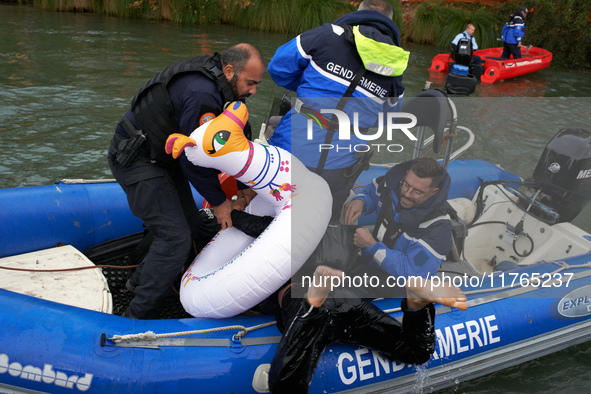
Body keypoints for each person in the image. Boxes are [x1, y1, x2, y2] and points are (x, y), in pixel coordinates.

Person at [108, 43, 265, 319]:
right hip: (140, 159)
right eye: (250, 83)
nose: (253, 90)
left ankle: (137, 283)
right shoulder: (202, 95)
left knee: (192, 225)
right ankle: (136, 316)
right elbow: (192, 157)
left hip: (164, 159)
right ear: (229, 70)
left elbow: (239, 138)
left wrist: (243, 190)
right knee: (176, 238)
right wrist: (219, 202)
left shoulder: (224, 90)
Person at [267, 0, 409, 220]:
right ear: (389, 21)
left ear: (358, 13)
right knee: (320, 223)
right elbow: (388, 117)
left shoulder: (327, 34)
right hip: (341, 165)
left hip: (292, 149)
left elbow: (278, 67)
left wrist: (310, 90)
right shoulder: (396, 64)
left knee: (266, 211)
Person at [268, 265, 468, 393]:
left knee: (283, 385)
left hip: (306, 303)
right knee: (417, 351)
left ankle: (312, 303)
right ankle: (417, 303)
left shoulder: (265, 269)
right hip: (344, 299)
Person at [342, 157, 455, 297]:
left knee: (360, 281)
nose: (407, 194)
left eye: (417, 192)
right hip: (372, 260)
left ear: (433, 192)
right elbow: (372, 192)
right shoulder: (393, 186)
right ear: (406, 174)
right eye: (406, 185)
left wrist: (372, 246)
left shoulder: (438, 228)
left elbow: (412, 275)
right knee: (336, 263)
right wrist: (361, 201)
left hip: (402, 284)